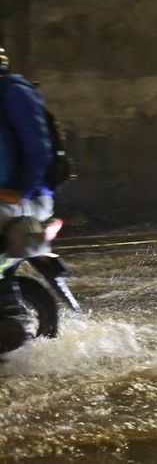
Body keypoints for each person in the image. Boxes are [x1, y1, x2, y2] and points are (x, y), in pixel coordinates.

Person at [0, 46, 54, 353]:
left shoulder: (14, 92)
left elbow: (39, 151)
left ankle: (10, 321)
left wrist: (21, 192)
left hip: (21, 199)